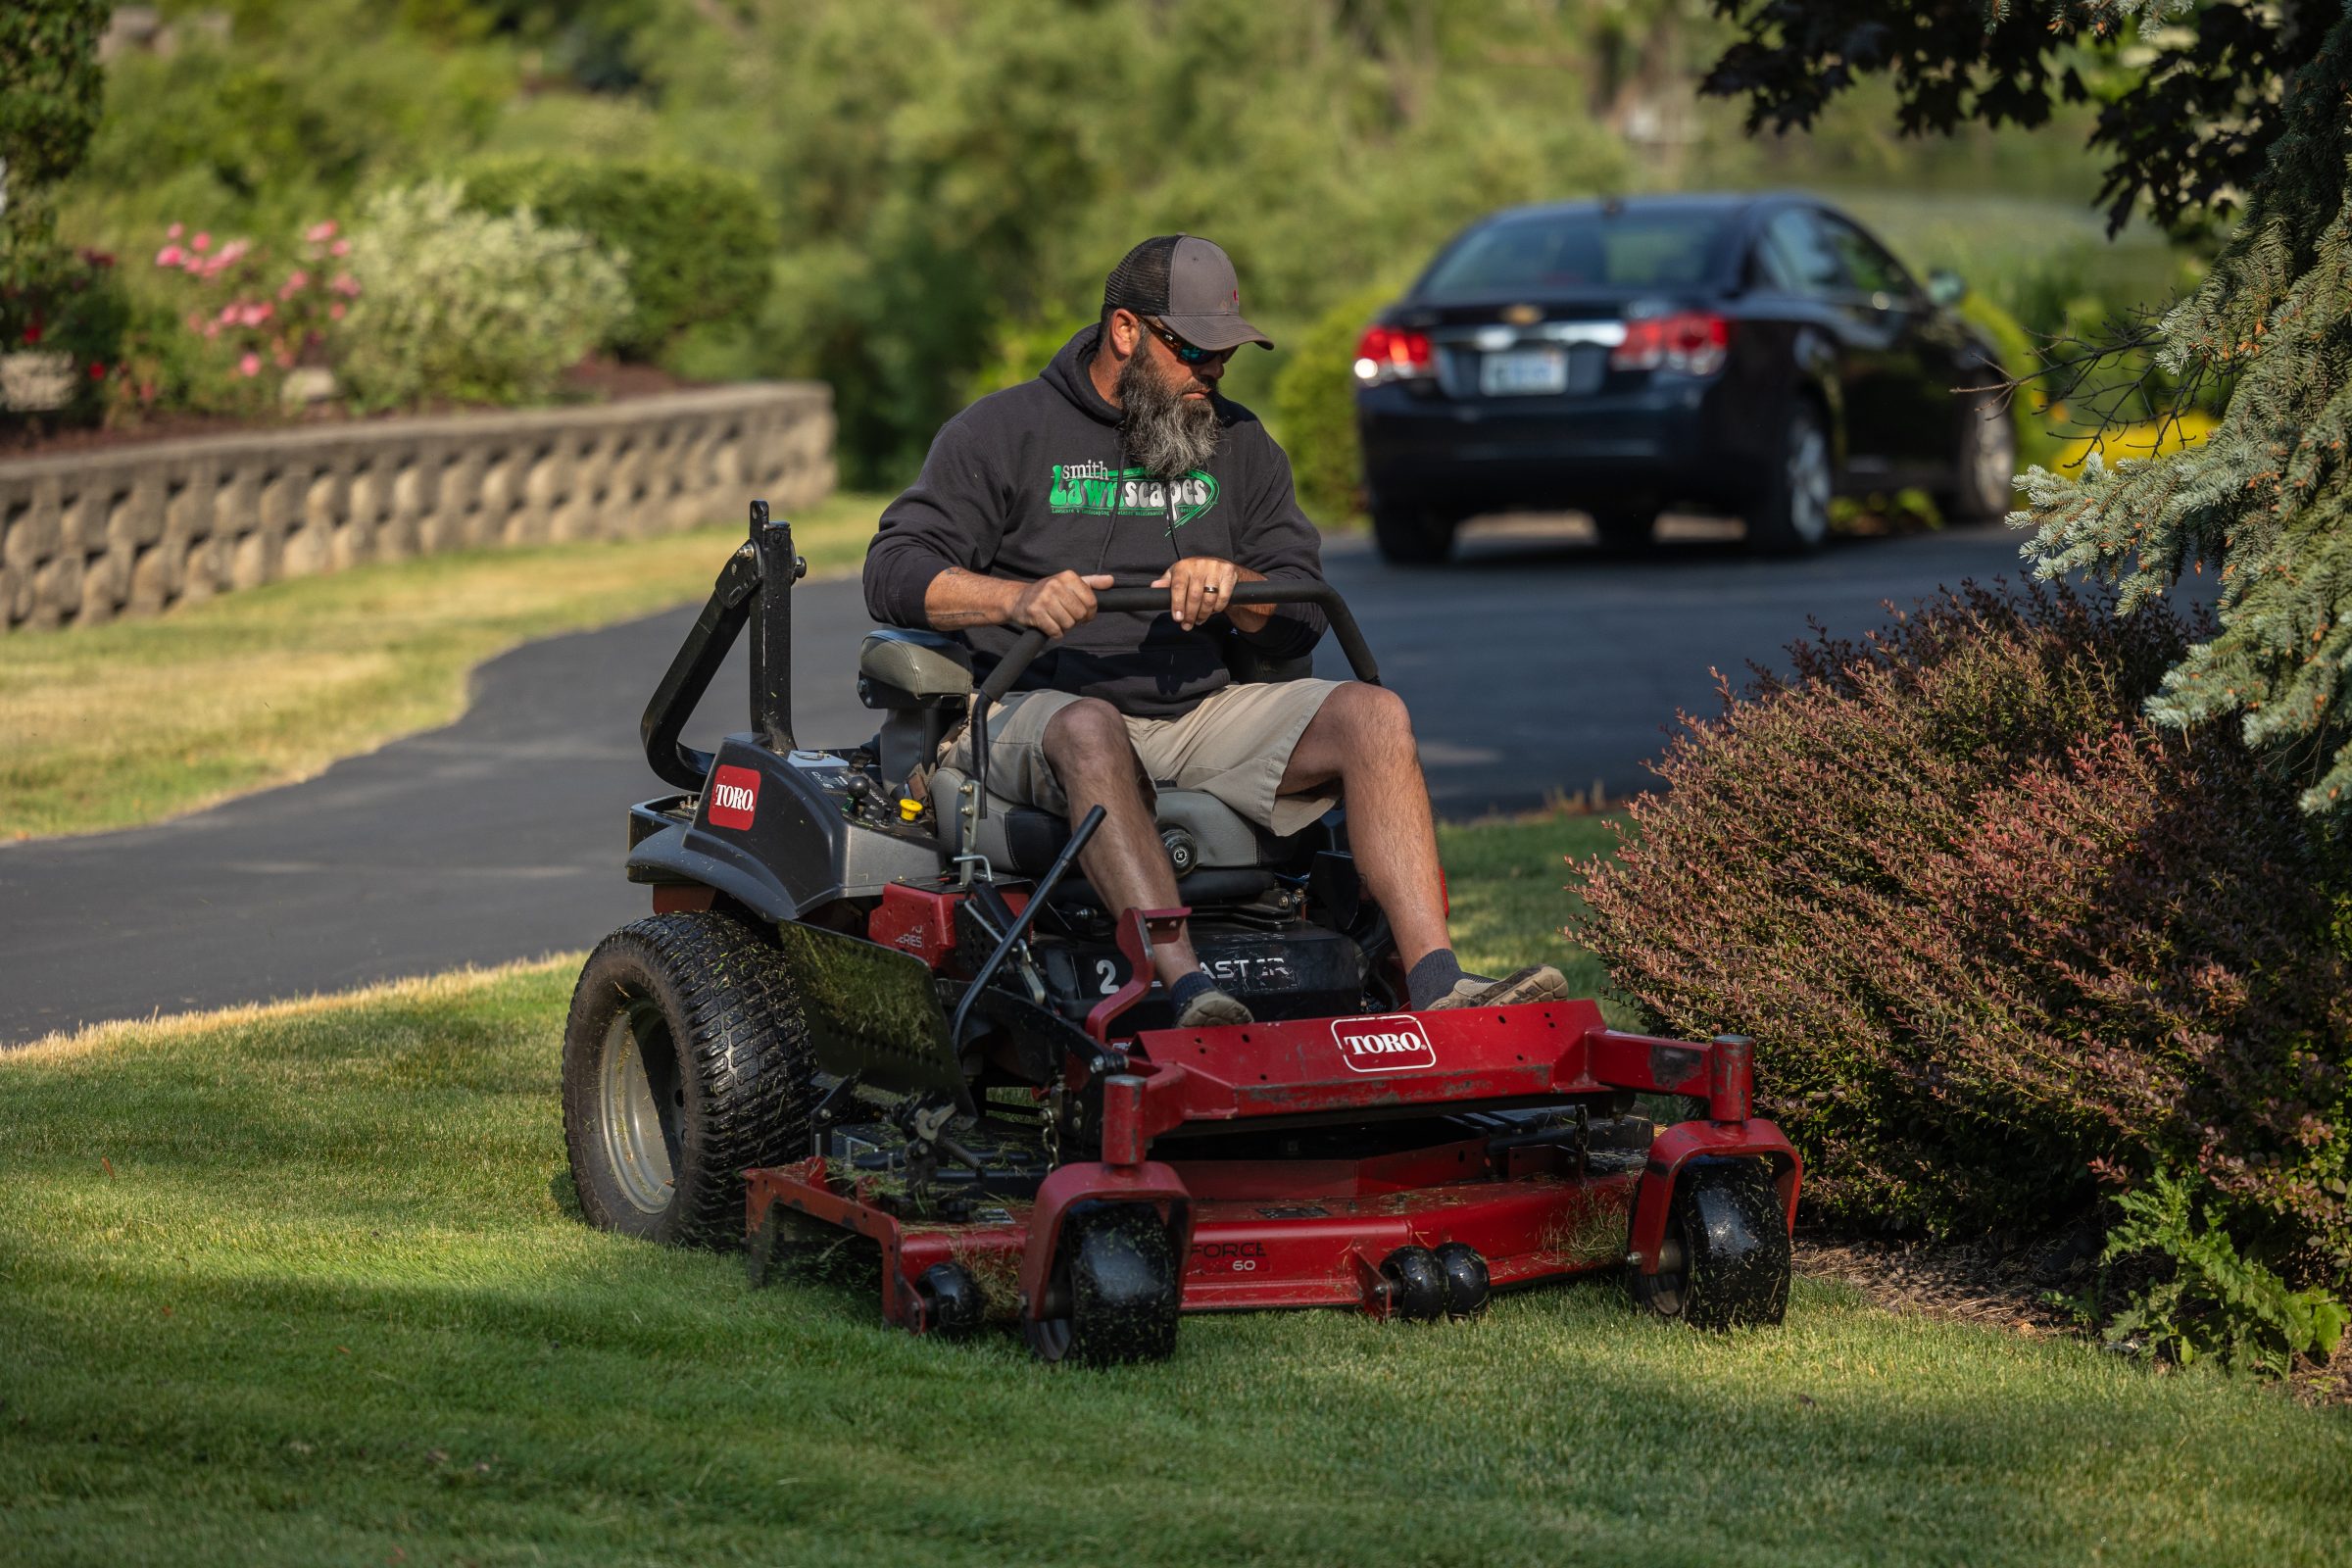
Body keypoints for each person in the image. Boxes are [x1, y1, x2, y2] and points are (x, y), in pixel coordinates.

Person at [863, 234, 1568, 1027]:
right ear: (1126, 332)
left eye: (1225, 354)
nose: (1213, 373)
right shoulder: (1002, 432)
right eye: (1194, 350)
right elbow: (893, 570)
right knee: (1093, 728)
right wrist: (1017, 600)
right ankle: (1188, 991)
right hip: (1033, 705)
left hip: (1194, 713)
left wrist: (1239, 592)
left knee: (1375, 716)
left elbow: (1300, 606)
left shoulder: (1241, 444)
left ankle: (1439, 983)